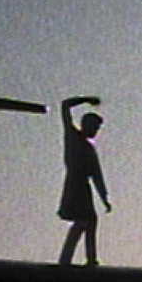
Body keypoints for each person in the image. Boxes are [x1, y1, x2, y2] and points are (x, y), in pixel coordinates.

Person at [57, 96, 110, 265]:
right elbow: (65, 106)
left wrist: (104, 198)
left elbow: (97, 175)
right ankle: (66, 259)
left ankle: (91, 258)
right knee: (82, 222)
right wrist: (86, 99)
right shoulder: (72, 136)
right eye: (94, 127)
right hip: (74, 184)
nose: (96, 131)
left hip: (84, 186)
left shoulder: (89, 149)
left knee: (91, 221)